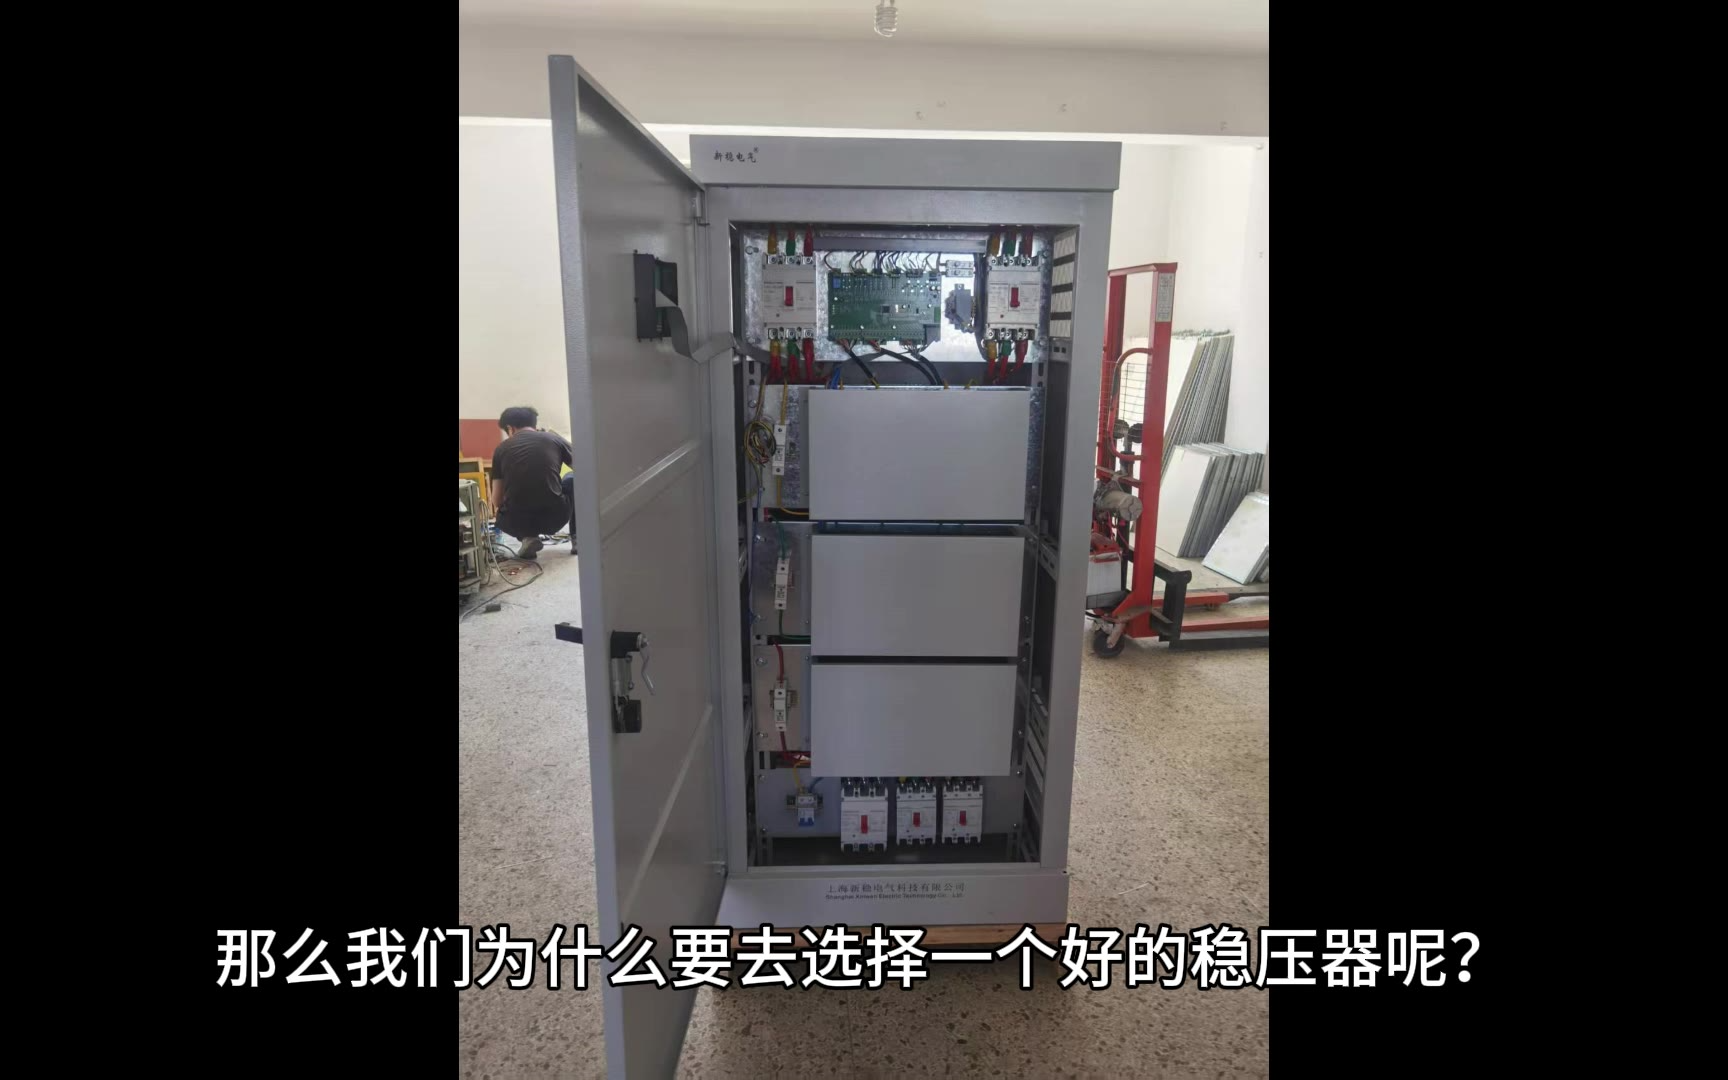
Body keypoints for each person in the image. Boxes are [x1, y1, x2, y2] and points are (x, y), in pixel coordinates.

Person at [491, 406, 575, 559]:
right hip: (555, 516)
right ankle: (578, 539)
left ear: (510, 428)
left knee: (509, 505)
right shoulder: (554, 439)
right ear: (533, 424)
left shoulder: (500, 449)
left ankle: (528, 538)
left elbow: (496, 500)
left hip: (515, 521)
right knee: (573, 478)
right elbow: (584, 469)